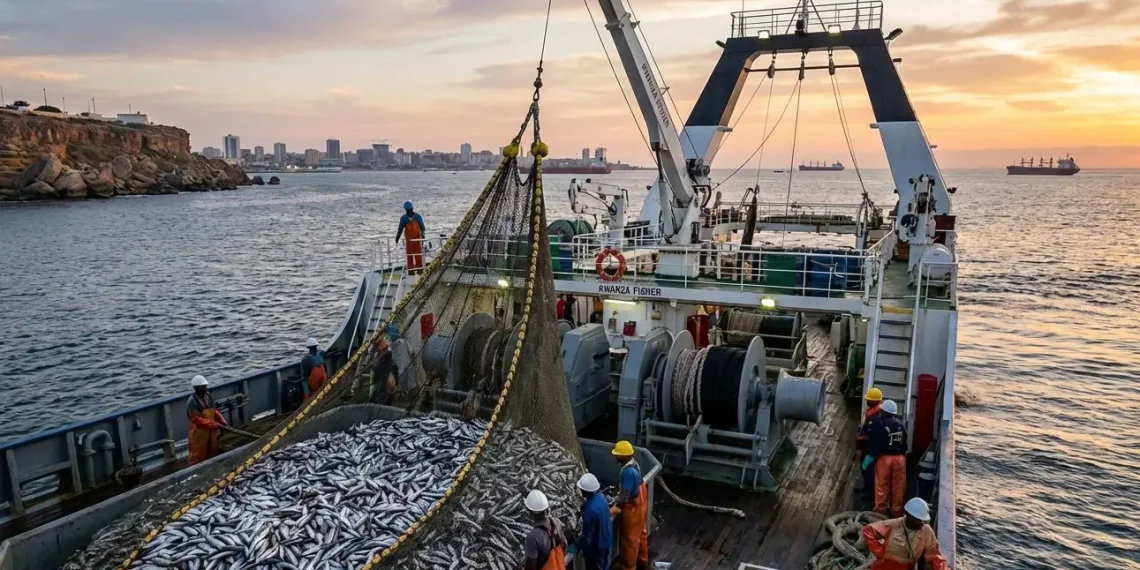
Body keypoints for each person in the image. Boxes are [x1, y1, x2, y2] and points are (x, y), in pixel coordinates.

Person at [862, 498, 948, 570]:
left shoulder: (926, 531)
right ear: (907, 515)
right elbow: (870, 530)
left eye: (922, 520)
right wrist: (881, 549)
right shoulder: (893, 525)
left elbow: (933, 555)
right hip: (885, 566)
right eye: (917, 520)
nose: (920, 523)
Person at [610, 441, 648, 570]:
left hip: (633, 506)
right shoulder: (634, 463)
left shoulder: (627, 472)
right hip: (642, 497)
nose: (615, 457)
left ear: (622, 457)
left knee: (630, 538)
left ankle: (628, 567)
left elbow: (625, 495)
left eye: (616, 455)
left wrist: (617, 507)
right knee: (641, 532)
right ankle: (643, 560)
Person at [868, 399, 907, 517]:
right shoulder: (901, 425)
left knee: (882, 486)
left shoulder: (880, 425)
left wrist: (871, 457)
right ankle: (897, 512)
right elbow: (905, 445)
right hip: (900, 459)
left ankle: (880, 512)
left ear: (883, 412)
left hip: (884, 459)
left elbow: (875, 444)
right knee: (898, 486)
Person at [568, 473, 613, 570]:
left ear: (584, 491)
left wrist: (576, 544)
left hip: (597, 549)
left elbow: (587, 538)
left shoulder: (590, 510)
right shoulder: (601, 497)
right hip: (607, 541)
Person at [186, 375, 227, 465]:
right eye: (202, 387)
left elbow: (214, 410)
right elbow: (196, 419)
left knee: (212, 449)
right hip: (199, 433)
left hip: (211, 432)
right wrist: (213, 424)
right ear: (196, 388)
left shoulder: (208, 396)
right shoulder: (192, 402)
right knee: (198, 454)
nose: (204, 389)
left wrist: (221, 419)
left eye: (205, 387)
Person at [523, 489, 567, 570]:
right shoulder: (556, 524)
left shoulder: (533, 537)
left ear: (531, 512)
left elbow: (531, 567)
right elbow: (564, 546)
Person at [857, 388, 885, 496]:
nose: (867, 401)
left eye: (869, 399)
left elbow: (874, 436)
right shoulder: (873, 413)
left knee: (867, 469)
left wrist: (862, 438)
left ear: (874, 402)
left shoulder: (876, 417)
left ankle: (870, 492)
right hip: (868, 447)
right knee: (864, 468)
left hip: (872, 449)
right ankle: (866, 488)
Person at [396, 201, 426, 274]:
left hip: (414, 240)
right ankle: (415, 270)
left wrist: (397, 238)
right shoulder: (416, 217)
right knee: (413, 254)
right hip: (413, 240)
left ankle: (415, 270)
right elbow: (423, 228)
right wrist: (397, 237)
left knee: (415, 254)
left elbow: (400, 230)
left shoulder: (404, 218)